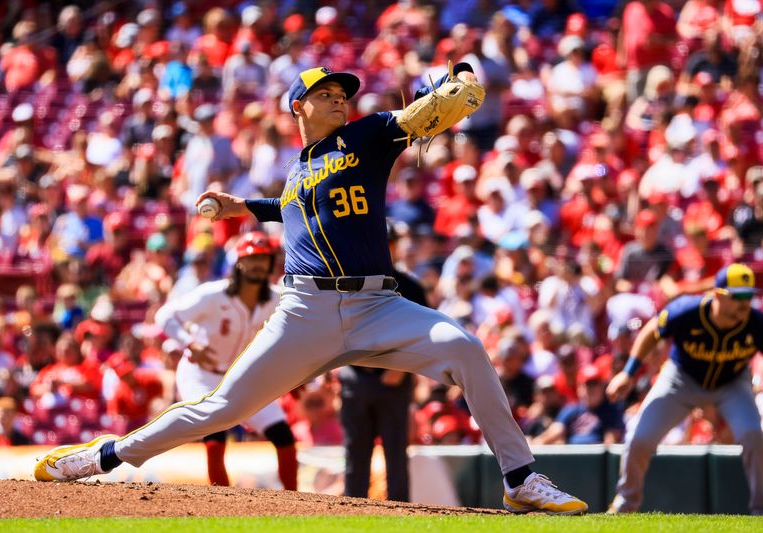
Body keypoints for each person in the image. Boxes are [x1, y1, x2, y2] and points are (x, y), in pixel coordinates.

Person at [34, 65, 587, 515]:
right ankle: (102, 457)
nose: (339, 101)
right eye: (325, 95)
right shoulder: (301, 170)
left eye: (343, 94)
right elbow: (292, 207)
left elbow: (419, 114)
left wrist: (449, 86)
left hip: (378, 304)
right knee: (222, 408)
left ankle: (519, 477)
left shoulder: (367, 136)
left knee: (465, 348)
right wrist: (243, 207)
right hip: (305, 311)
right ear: (297, 106)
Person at [606, 264, 763, 514]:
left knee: (755, 435)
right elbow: (651, 332)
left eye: (749, 296)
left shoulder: (755, 322)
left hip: (732, 384)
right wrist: (628, 372)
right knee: (639, 437)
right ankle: (625, 503)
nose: (745, 304)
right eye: (738, 297)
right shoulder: (687, 311)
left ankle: (761, 510)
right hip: (682, 379)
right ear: (718, 294)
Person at [153, 232, 297, 490]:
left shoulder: (278, 298)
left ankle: (297, 504)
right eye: (252, 258)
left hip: (245, 377)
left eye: (264, 259)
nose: (258, 265)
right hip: (202, 374)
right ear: (238, 262)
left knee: (283, 436)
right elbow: (165, 315)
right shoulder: (213, 294)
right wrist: (188, 342)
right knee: (216, 433)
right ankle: (222, 500)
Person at [339, 220, 423, 502]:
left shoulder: (410, 286)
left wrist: (402, 365)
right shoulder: (349, 282)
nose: (383, 248)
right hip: (357, 376)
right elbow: (338, 329)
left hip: (394, 380)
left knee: (396, 455)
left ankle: (401, 518)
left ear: (396, 246)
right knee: (355, 455)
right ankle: (351, 518)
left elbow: (426, 335)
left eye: (388, 242)